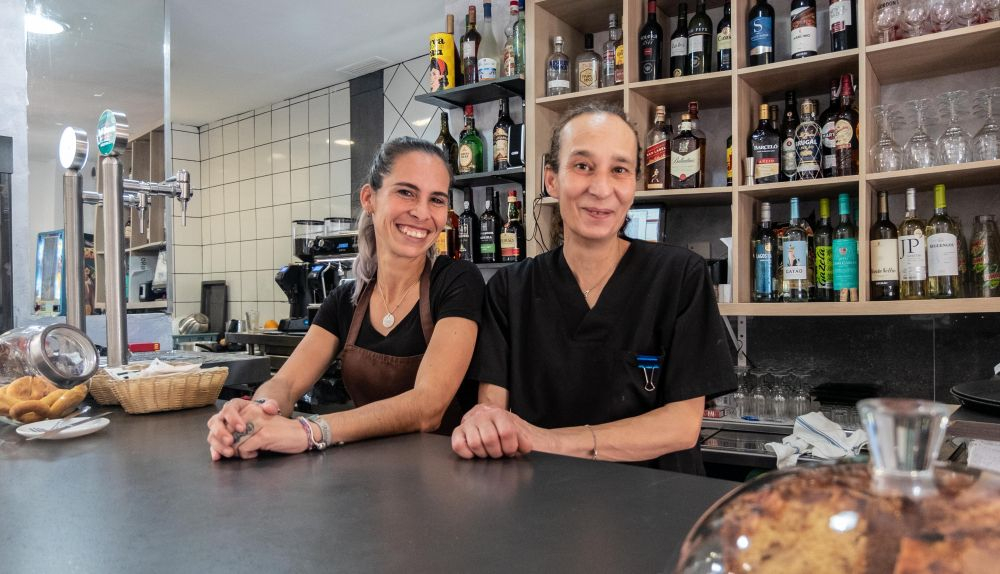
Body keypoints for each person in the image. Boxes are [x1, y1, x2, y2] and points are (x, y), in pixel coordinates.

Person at [451, 102, 735, 474]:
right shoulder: (509, 289)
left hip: (659, 511)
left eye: (619, 170)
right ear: (551, 179)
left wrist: (547, 440)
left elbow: (681, 426)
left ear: (633, 184)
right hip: (541, 507)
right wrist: (480, 427)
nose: (601, 189)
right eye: (583, 166)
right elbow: (492, 411)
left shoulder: (680, 276)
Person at [208, 137, 483, 460]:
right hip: (368, 479)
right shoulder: (345, 300)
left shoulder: (458, 282)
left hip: (447, 481)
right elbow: (286, 382)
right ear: (369, 198)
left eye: (436, 200)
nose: (422, 213)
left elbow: (428, 406)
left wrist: (310, 430)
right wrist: (252, 415)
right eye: (406, 192)